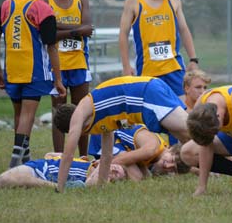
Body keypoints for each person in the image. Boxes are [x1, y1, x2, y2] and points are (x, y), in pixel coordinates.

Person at [52, 76, 190, 193]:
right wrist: (101, 186)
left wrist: (59, 188)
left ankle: (211, 161)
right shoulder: (101, 117)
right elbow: (107, 155)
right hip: (149, 89)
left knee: (194, 131)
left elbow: (68, 155)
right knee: (189, 137)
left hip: (146, 93)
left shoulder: (80, 114)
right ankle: (209, 165)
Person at [0, 0, 66, 168]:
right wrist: (58, 79)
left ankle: (24, 157)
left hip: (12, 69)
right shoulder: (42, 8)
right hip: (33, 69)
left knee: (18, 113)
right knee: (27, 114)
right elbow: (52, 46)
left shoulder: (7, 4)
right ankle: (15, 161)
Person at [118, 0, 199, 100]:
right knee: (152, 113)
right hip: (148, 69)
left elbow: (183, 29)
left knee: (183, 110)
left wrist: (193, 59)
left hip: (174, 68)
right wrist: (126, 66)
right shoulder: (134, 1)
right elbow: (123, 35)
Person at [47, 0, 94, 157]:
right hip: (56, 67)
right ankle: (59, 157)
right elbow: (49, 32)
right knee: (58, 113)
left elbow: (88, 27)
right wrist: (76, 31)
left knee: (81, 112)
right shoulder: (46, 3)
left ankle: (83, 156)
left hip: (79, 65)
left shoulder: (81, 0)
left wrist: (60, 29)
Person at [0, 153, 127, 193]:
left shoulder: (91, 177)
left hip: (40, 175)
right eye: (117, 168)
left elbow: (93, 185)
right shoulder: (85, 160)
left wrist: (105, 172)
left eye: (116, 175)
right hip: (39, 168)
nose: (114, 169)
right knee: (1, 180)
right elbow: (50, 154)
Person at [88, 124, 190, 181]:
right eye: (171, 160)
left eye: (173, 169)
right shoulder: (151, 149)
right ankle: (92, 172)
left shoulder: (157, 156)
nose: (167, 166)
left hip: (116, 138)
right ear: (171, 149)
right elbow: (120, 160)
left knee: (145, 177)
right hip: (106, 134)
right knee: (138, 178)